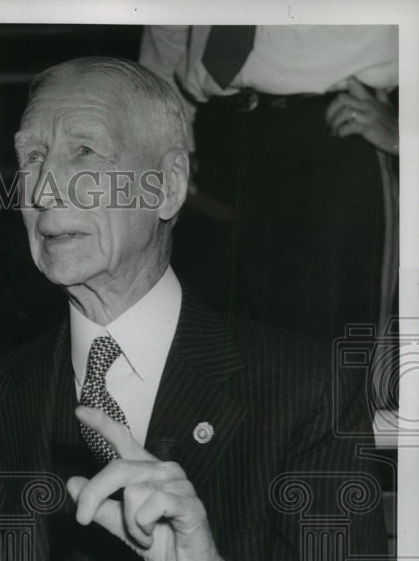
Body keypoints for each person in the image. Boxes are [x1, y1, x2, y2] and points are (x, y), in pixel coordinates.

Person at [0, 56, 394, 561]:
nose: (46, 186)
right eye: (31, 157)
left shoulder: (304, 390)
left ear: (167, 185)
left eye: (84, 152)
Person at [139, 25, 398, 345]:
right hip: (211, 134)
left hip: (332, 133)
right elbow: (169, 34)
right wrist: (164, 136)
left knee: (327, 360)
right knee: (208, 351)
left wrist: (407, 133)